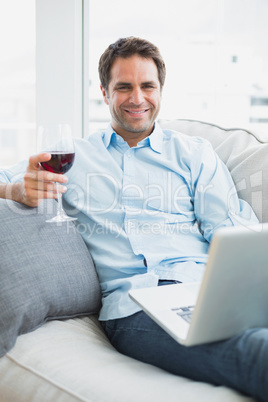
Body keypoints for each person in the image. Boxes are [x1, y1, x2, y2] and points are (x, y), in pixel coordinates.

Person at [0, 37, 267, 401]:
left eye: (147, 86)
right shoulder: (75, 157)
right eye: (123, 87)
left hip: (207, 296)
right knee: (256, 353)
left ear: (161, 90)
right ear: (105, 92)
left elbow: (228, 232)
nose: (137, 98)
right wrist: (19, 191)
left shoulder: (194, 154)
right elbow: (8, 179)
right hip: (136, 307)